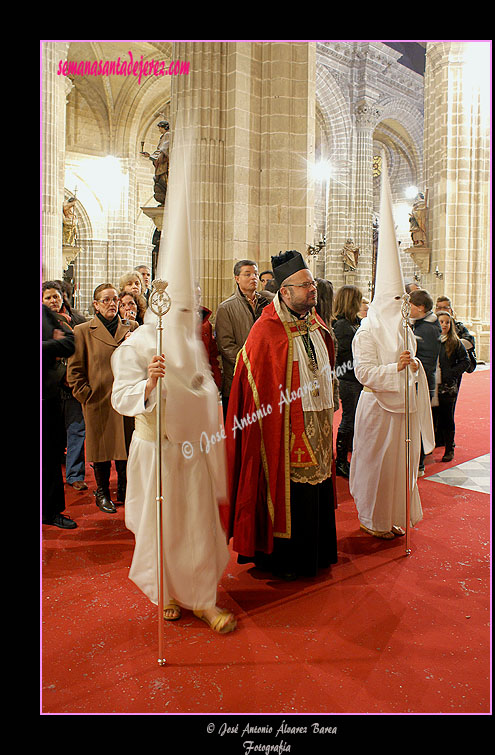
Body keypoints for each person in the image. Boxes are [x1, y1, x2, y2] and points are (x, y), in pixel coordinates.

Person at [111, 125, 236, 632]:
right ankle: (166, 592)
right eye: (178, 305)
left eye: (189, 305)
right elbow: (123, 396)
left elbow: (207, 393)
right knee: (161, 528)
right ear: (160, 301)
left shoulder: (190, 343)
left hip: (192, 454)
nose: (185, 314)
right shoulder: (139, 344)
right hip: (157, 451)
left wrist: (199, 396)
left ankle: (203, 596)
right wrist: (150, 384)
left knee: (199, 528)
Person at [225, 250, 338, 580]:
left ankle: (316, 554)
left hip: (317, 420)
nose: (312, 289)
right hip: (284, 429)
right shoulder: (266, 330)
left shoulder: (315, 323)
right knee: (289, 490)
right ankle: (285, 560)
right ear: (285, 292)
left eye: (312, 283)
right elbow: (255, 385)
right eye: (305, 285)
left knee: (315, 485)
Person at [349, 155, 434, 540]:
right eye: (395, 301)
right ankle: (371, 518)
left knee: (399, 466)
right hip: (377, 406)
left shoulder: (404, 329)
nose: (400, 306)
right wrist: (396, 369)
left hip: (402, 407)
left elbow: (414, 362)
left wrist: (412, 364)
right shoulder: (365, 333)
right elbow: (363, 372)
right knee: (374, 465)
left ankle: (393, 515)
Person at [66, 284, 138, 514]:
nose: (112, 303)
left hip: (126, 398)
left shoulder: (132, 327)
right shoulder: (83, 331)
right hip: (99, 400)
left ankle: (125, 489)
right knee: (101, 450)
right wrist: (86, 395)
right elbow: (74, 370)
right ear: (96, 304)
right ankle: (103, 492)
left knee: (126, 447)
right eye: (106, 300)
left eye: (115, 299)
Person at [42, 281, 88, 492]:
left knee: (77, 429)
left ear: (63, 297)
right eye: (48, 297)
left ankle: (75, 474)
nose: (53, 301)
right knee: (50, 433)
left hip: (72, 384)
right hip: (49, 385)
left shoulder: (78, 320)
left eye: (56, 296)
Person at [215, 260, 270, 418]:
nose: (253, 278)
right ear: (237, 278)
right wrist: (251, 362)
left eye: (255, 274)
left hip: (263, 377)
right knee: (237, 428)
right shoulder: (226, 307)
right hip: (237, 377)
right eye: (247, 274)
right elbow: (225, 345)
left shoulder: (266, 304)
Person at [42, 303, 77, 528]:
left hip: (47, 396)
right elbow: (58, 344)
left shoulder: (45, 313)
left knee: (51, 456)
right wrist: (51, 344)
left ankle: (51, 511)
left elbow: (70, 343)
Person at [332, 285, 364, 478]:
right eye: (358, 300)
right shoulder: (342, 325)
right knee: (349, 419)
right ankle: (341, 461)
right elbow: (342, 355)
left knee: (355, 419)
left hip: (356, 377)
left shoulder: (355, 322)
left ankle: (349, 454)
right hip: (347, 378)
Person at [408, 288, 441, 476]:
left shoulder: (426, 329)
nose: (408, 309)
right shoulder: (424, 324)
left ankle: (418, 463)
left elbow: (422, 361)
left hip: (422, 382)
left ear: (420, 308)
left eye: (410, 306)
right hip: (423, 381)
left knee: (418, 422)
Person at [434, 312, 470, 462]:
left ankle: (449, 448)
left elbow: (465, 362)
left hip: (447, 387)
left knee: (447, 417)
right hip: (432, 385)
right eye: (441, 321)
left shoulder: (455, 342)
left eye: (447, 322)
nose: (444, 325)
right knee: (433, 417)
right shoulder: (431, 341)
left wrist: (451, 374)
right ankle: (433, 443)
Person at [196, 285, 222, 391]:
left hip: (205, 377)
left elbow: (212, 354)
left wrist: (216, 379)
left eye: (198, 296)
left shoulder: (205, 323)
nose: (196, 299)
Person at [140, 120, 170, 204]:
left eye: (160, 128)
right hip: (160, 162)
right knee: (159, 181)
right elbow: (159, 151)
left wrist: (155, 156)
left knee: (163, 180)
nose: (159, 130)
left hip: (164, 163)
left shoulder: (168, 135)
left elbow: (164, 150)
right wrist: (150, 156)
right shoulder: (163, 136)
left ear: (163, 127)